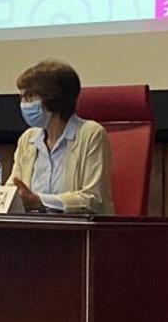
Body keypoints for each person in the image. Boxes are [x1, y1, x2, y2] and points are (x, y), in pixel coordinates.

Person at [9, 59, 114, 214]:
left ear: (53, 98)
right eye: (22, 97)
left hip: (77, 232)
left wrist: (39, 201)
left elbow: (92, 199)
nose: (24, 104)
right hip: (32, 230)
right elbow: (14, 189)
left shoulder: (91, 134)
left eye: (29, 96)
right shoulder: (28, 139)